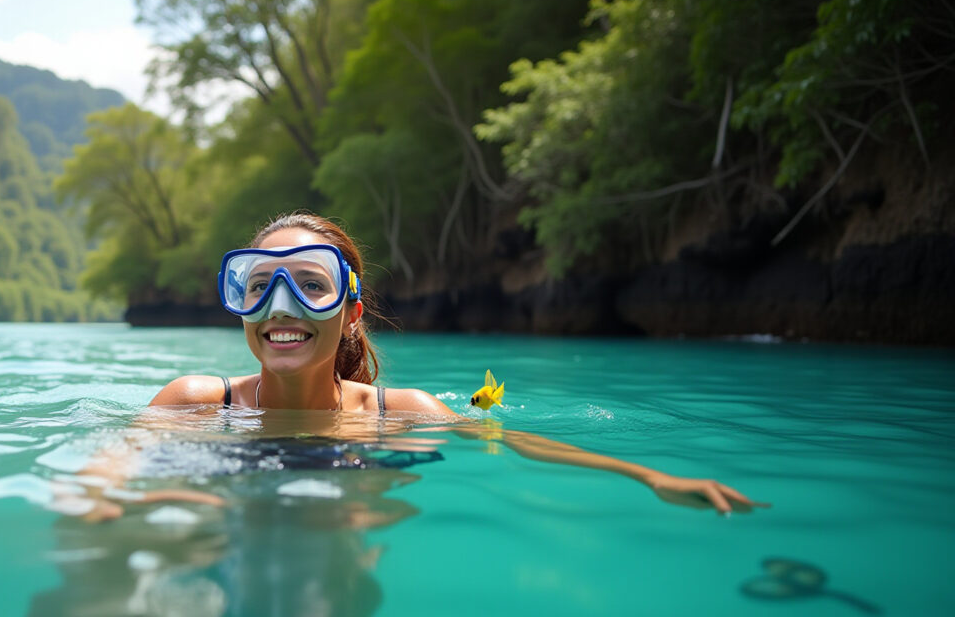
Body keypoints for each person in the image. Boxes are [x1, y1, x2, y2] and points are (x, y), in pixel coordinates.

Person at [148, 211, 768, 515]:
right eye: (258, 287)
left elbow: (515, 440)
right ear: (241, 306)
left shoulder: (403, 412)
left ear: (352, 311)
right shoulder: (194, 402)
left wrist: (646, 476)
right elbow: (111, 466)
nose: (279, 307)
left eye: (310, 285)